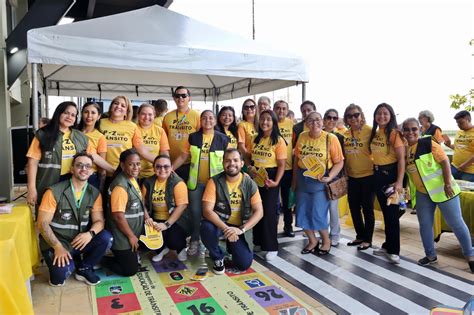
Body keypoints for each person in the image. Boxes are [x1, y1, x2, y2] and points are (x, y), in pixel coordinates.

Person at [402, 118, 474, 272]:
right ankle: (430, 256)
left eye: (414, 129)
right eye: (406, 129)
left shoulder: (428, 143)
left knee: (456, 223)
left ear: (420, 130)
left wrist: (448, 183)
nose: (410, 132)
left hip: (444, 190)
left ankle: (470, 256)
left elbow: (445, 163)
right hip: (423, 194)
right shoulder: (405, 150)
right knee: (425, 225)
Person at [37, 152, 112, 286]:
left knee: (106, 238)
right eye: (79, 165)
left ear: (92, 171)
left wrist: (90, 234)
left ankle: (84, 267)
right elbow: (42, 224)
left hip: (79, 241)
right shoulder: (54, 192)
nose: (84, 169)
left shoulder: (94, 193)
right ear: (72, 169)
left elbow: (99, 221)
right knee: (58, 279)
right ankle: (71, 261)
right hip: (57, 242)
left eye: (88, 166)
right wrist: (58, 247)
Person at [27, 101, 110, 209]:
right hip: (49, 181)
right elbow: (32, 163)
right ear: (59, 113)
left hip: (73, 182)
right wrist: (32, 188)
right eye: (66, 113)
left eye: (73, 115)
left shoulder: (80, 136)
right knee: (47, 212)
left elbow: (93, 156)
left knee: (69, 213)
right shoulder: (43, 134)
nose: (69, 117)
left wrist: (113, 170)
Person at [173, 110, 229, 256]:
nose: (207, 120)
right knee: (195, 213)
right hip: (195, 183)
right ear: (200, 121)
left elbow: (230, 160)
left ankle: (208, 242)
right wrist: (170, 169)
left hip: (215, 185)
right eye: (204, 118)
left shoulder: (223, 139)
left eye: (211, 118)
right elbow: (183, 156)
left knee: (212, 214)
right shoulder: (193, 137)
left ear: (215, 121)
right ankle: (195, 240)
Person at [201, 149, 264, 274]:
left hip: (239, 227)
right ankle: (217, 256)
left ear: (242, 163)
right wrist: (226, 229)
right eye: (228, 160)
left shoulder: (250, 183)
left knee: (243, 264)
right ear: (223, 163)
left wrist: (242, 229)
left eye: (235, 160)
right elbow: (207, 211)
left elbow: (259, 212)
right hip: (220, 224)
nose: (231, 163)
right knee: (206, 227)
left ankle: (231, 247)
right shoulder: (214, 181)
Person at [292, 111, 344, 255]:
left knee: (318, 213)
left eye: (317, 120)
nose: (314, 123)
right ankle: (312, 240)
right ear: (306, 123)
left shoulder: (330, 138)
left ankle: (326, 241)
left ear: (322, 121)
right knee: (302, 213)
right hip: (303, 180)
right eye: (310, 120)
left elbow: (339, 162)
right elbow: (297, 160)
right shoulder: (302, 136)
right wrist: (294, 181)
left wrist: (330, 176)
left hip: (321, 181)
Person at [105, 149, 154, 276]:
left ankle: (130, 253)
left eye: (138, 164)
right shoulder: (120, 186)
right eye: (131, 164)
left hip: (134, 230)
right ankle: (102, 259)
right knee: (130, 270)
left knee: (157, 239)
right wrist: (131, 236)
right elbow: (118, 216)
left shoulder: (132, 179)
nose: (136, 167)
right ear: (122, 165)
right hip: (123, 235)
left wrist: (147, 217)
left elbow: (140, 200)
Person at [246, 110, 287, 261]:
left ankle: (271, 247)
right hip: (256, 177)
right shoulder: (254, 139)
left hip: (271, 178)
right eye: (262, 119)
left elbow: (282, 165)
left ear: (274, 122)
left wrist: (276, 182)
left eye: (268, 120)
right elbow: (249, 157)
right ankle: (258, 242)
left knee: (269, 213)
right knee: (256, 210)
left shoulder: (278, 141)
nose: (265, 122)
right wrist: (250, 167)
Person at [369, 103, 405, 264]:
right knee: (386, 213)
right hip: (378, 175)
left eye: (385, 113)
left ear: (391, 116)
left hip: (391, 176)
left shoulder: (394, 134)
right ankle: (387, 245)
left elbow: (401, 159)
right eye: (379, 113)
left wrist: (398, 182)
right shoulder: (376, 133)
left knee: (392, 215)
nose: (381, 116)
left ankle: (394, 251)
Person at [142, 155, 191, 262]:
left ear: (171, 167)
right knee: (149, 235)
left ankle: (180, 248)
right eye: (158, 166)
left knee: (174, 239)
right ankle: (161, 249)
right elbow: (142, 203)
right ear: (154, 168)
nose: (162, 169)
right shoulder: (148, 182)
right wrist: (147, 218)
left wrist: (166, 224)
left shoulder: (178, 183)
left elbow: (182, 206)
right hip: (155, 217)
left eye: (166, 166)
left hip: (176, 219)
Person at [342, 104, 375, 251]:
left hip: (368, 176)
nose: (353, 118)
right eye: (350, 116)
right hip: (352, 177)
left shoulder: (370, 131)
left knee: (367, 209)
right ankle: (360, 235)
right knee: (354, 208)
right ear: (346, 119)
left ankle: (368, 239)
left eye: (356, 115)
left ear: (361, 115)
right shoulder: (346, 134)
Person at [99, 96, 156, 173]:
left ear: (127, 111)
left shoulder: (132, 126)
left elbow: (142, 151)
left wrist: (163, 162)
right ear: (111, 106)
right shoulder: (100, 123)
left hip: (124, 172)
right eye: (116, 103)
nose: (118, 106)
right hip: (101, 170)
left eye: (123, 106)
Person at [162, 86, 201, 182]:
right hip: (171, 162)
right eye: (177, 96)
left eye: (184, 96)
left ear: (189, 98)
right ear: (174, 98)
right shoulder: (168, 116)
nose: (180, 98)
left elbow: (200, 139)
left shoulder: (196, 115)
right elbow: (163, 140)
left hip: (190, 163)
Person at [77, 102, 113, 189]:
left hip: (91, 177)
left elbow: (101, 166)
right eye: (86, 112)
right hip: (73, 175)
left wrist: (100, 187)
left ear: (98, 116)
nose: (89, 116)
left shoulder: (100, 137)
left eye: (93, 113)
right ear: (82, 114)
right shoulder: (74, 132)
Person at [322, 109, 344, 246]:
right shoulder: (318, 134)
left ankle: (335, 234)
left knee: (332, 208)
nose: (331, 120)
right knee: (320, 208)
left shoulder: (340, 138)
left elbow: (342, 160)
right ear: (324, 119)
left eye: (334, 118)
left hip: (334, 177)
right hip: (317, 176)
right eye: (329, 117)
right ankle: (323, 233)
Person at [274, 100, 295, 237]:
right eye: (278, 108)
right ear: (274, 109)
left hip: (288, 168)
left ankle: (288, 226)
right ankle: (272, 227)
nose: (281, 111)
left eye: (283, 108)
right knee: (273, 201)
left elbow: (296, 143)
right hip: (273, 168)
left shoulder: (291, 124)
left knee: (287, 201)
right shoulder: (270, 123)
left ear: (287, 110)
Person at [136, 103, 170, 179]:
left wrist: (164, 166)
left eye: (150, 114)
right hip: (135, 174)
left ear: (154, 115)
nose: (146, 117)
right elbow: (132, 151)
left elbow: (164, 153)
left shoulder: (160, 131)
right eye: (143, 114)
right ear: (138, 115)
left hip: (155, 174)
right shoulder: (133, 129)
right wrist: (161, 163)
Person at [444, 110, 474, 182]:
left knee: (467, 192)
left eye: (461, 123)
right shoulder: (459, 132)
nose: (459, 125)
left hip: (469, 171)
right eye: (457, 123)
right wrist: (448, 145)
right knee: (451, 189)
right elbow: (459, 147)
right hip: (454, 167)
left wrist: (465, 165)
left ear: (468, 120)